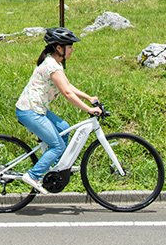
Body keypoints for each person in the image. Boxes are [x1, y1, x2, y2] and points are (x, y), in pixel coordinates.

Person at [15, 28, 102, 194]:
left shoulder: (55, 64)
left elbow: (68, 86)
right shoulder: (51, 66)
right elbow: (67, 93)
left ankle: (56, 170)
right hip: (30, 111)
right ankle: (33, 175)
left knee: (64, 128)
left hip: (37, 108)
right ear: (59, 48)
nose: (72, 50)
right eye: (70, 47)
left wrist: (89, 97)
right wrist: (89, 109)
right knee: (57, 146)